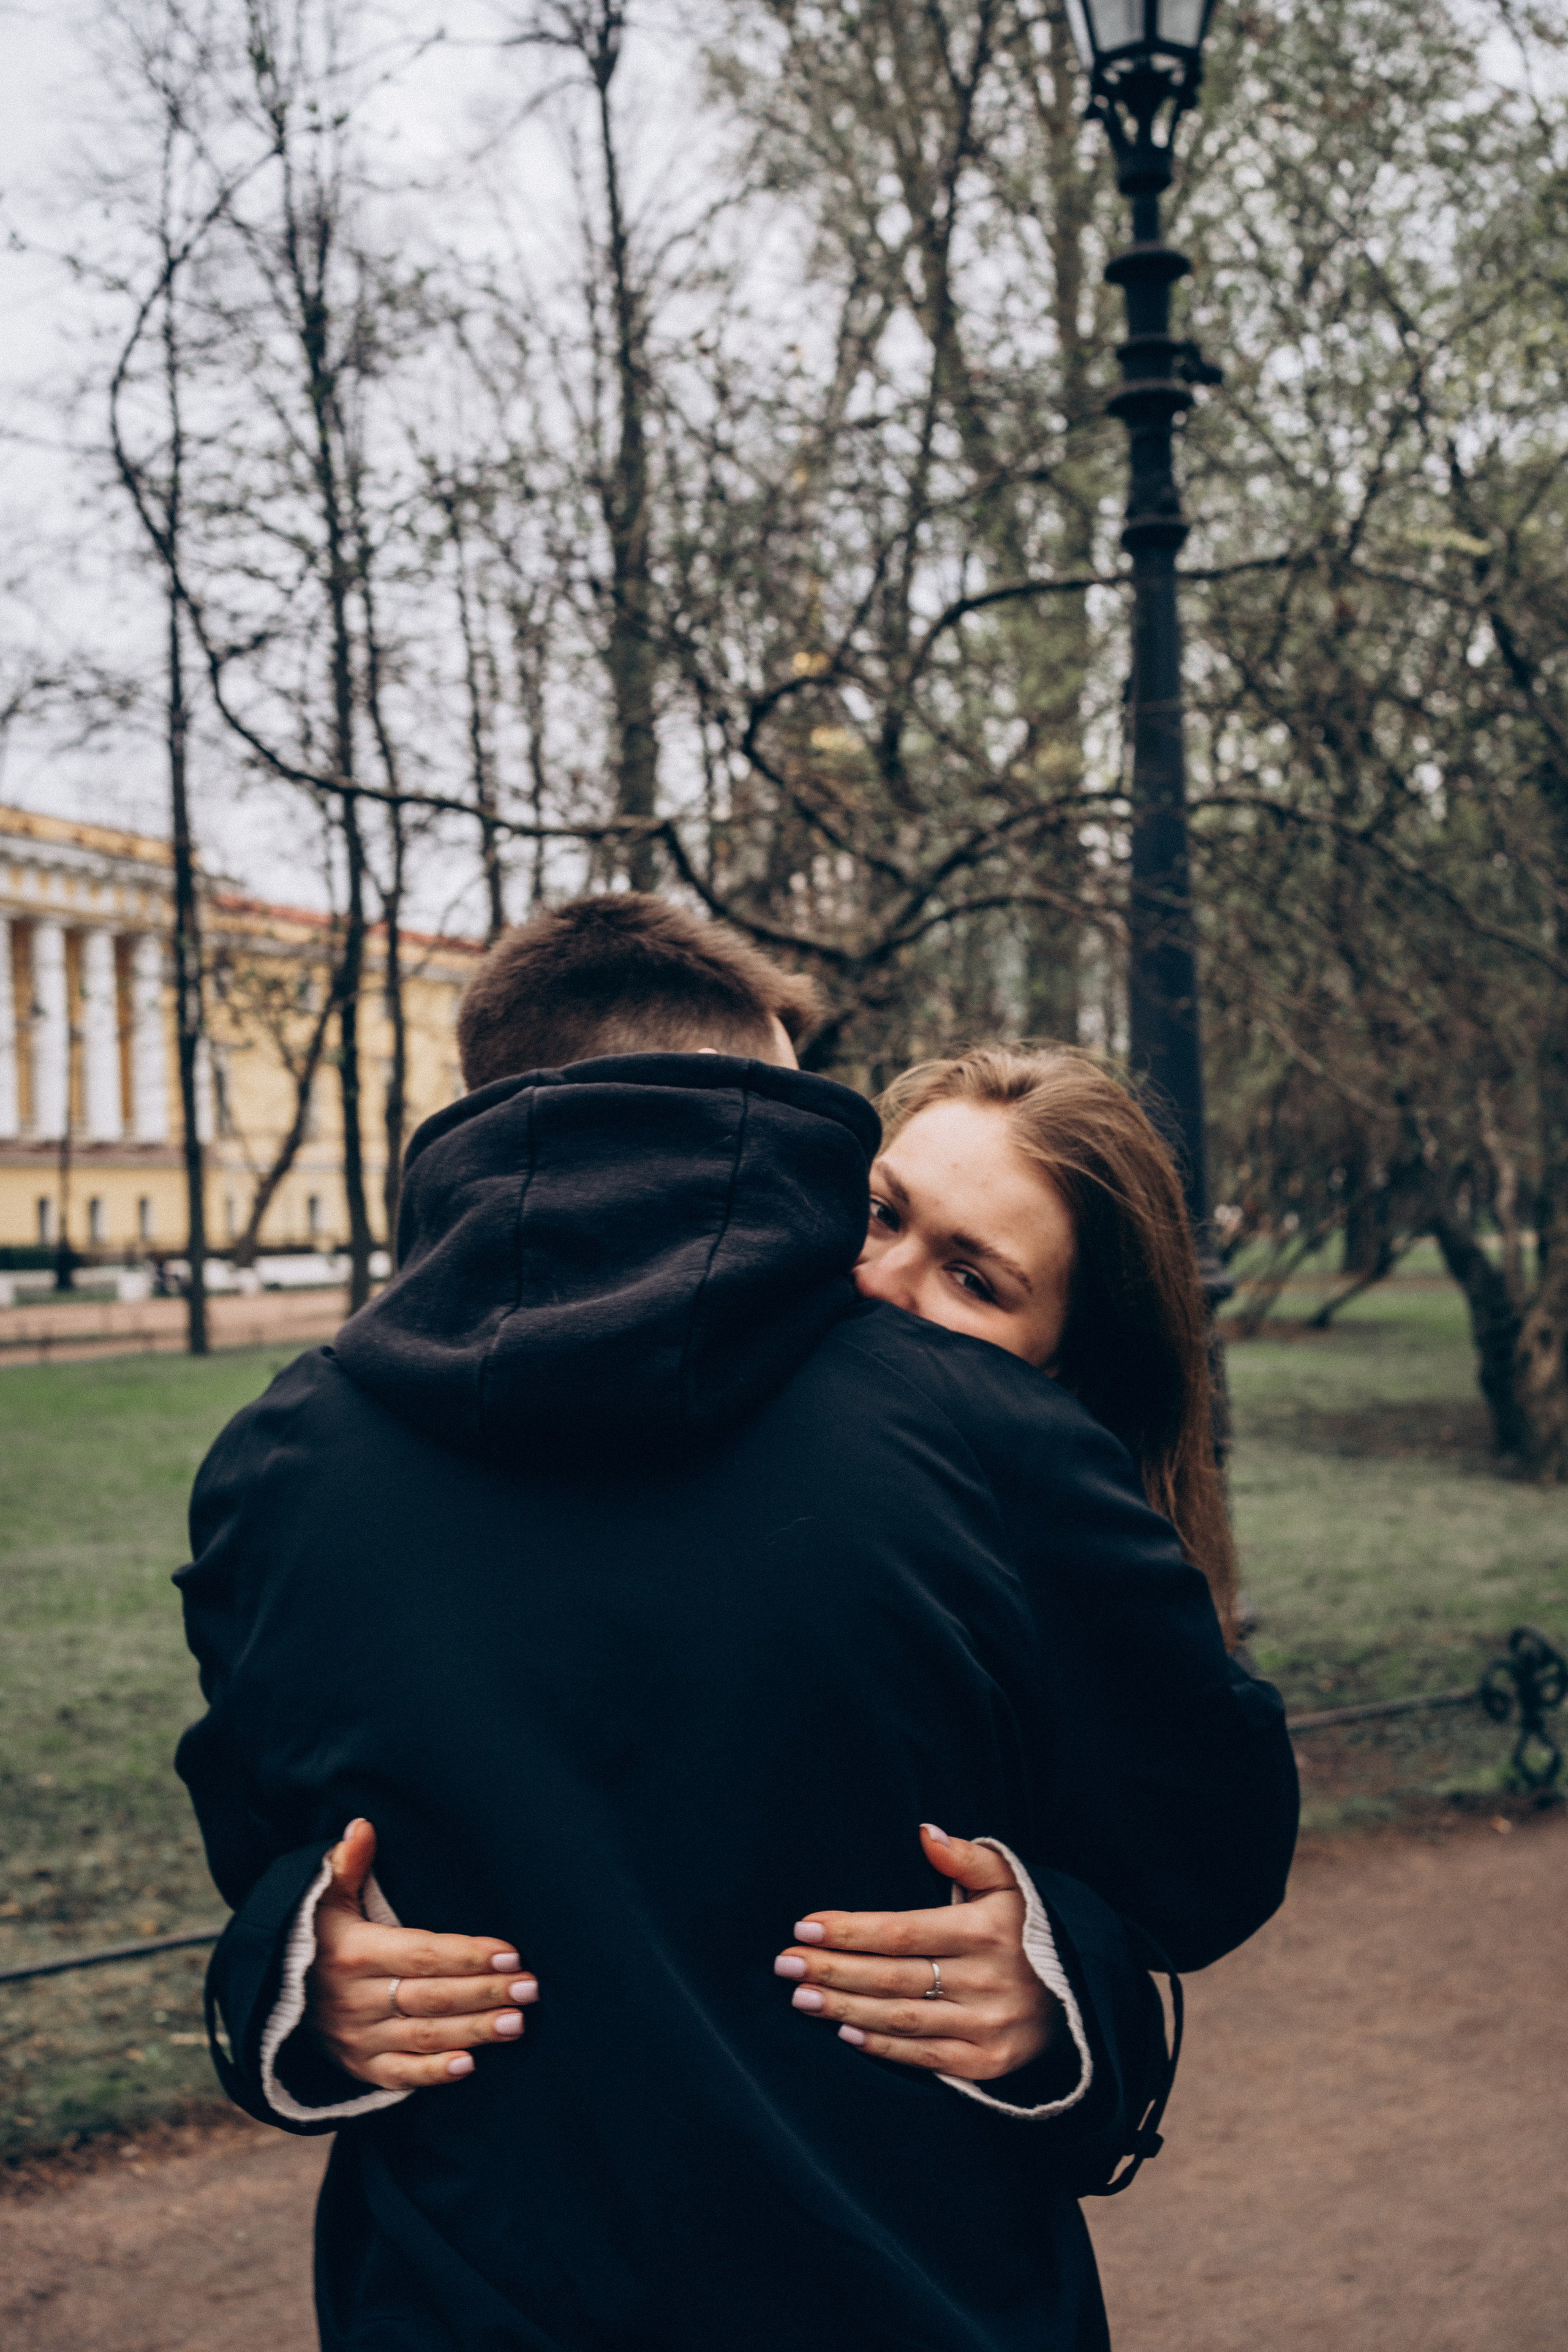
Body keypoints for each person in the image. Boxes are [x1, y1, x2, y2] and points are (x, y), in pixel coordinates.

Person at [175, 894, 1297, 2352]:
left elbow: (1187, 1862)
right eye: (877, 1217)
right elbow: (279, 1860)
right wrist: (296, 1975)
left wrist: (1051, 1973)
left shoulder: (276, 1458)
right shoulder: (965, 1442)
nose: (884, 1287)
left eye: (974, 1277)